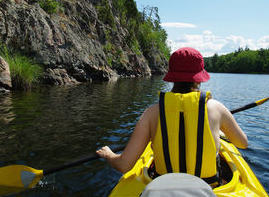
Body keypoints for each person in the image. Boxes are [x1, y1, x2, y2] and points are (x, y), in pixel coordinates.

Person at [96, 47, 247, 185]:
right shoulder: (216, 107)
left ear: (172, 76)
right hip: (208, 187)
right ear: (198, 78)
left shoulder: (151, 113)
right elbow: (242, 143)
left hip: (163, 188)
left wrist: (109, 155)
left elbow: (124, 165)